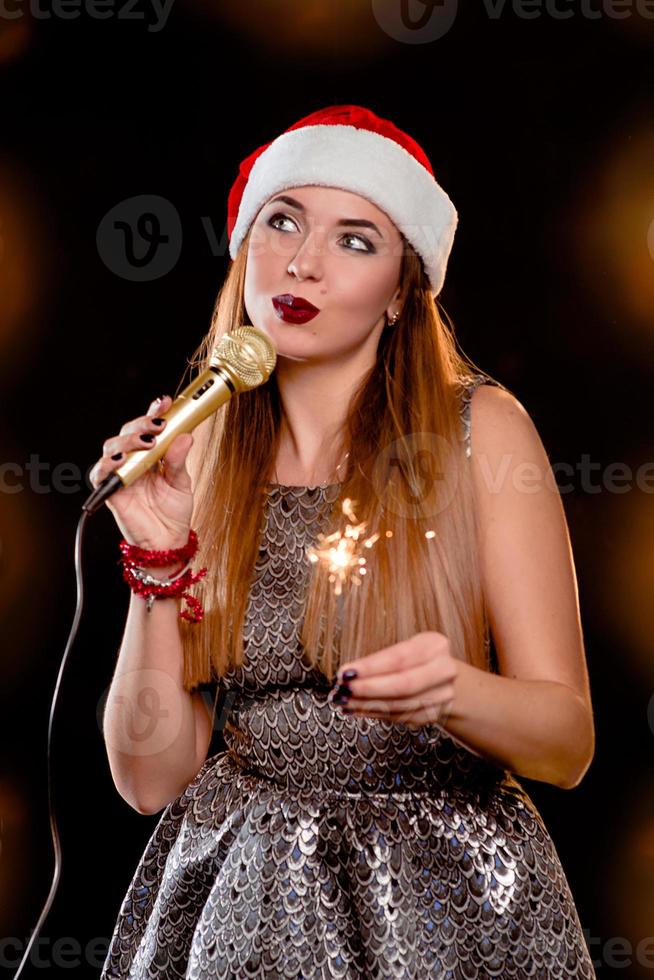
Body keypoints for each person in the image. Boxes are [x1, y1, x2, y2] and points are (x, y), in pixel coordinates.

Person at [93, 105, 597, 978]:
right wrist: (156, 569)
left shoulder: (484, 434)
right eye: (281, 221)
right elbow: (149, 781)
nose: (303, 262)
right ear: (246, 246)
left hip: (448, 903)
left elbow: (568, 744)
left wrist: (452, 691)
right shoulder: (197, 450)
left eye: (355, 240)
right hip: (239, 899)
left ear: (404, 290)